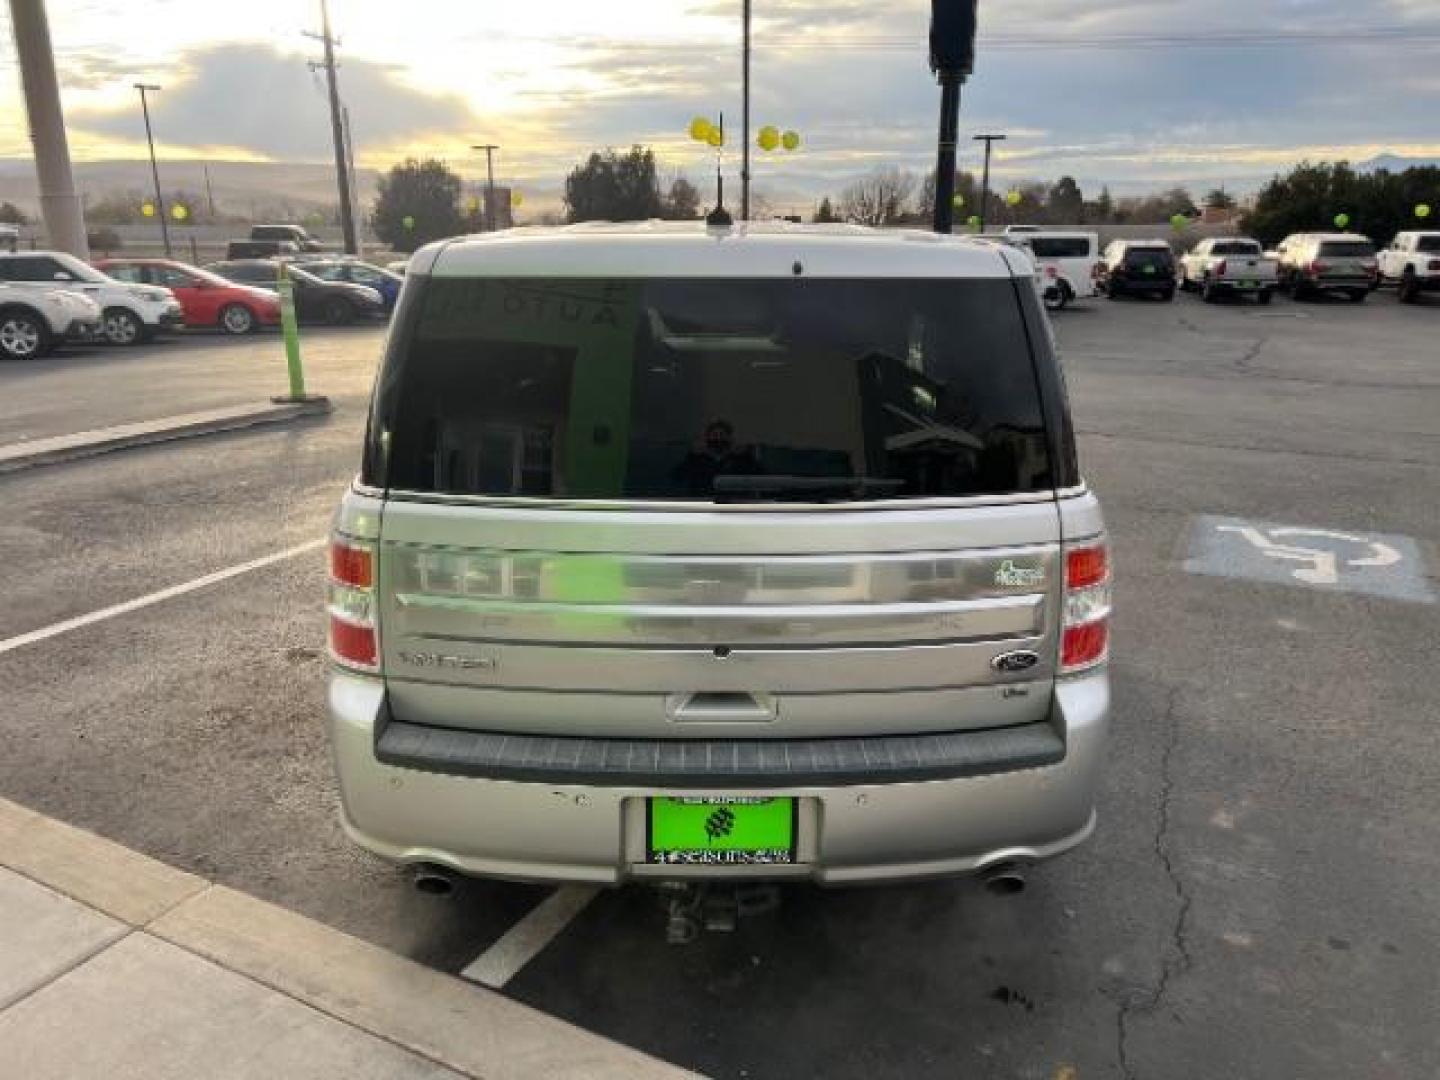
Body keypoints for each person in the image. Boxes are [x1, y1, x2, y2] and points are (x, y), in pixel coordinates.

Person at [673, 420, 763, 497]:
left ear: (729, 438)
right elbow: (677, 477)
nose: (718, 438)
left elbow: (760, 476)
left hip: (734, 502)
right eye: (715, 435)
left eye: (722, 435)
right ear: (708, 437)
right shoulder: (698, 458)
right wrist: (692, 456)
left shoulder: (739, 458)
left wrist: (745, 456)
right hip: (703, 501)